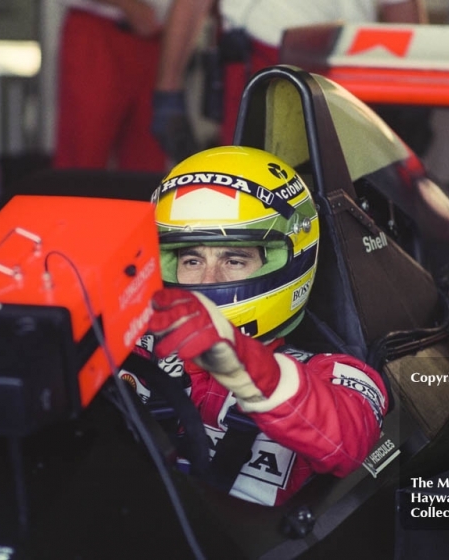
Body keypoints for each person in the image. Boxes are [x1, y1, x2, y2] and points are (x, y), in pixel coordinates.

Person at [122, 146, 388, 506]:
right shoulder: (131, 353)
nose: (208, 279)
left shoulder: (332, 373)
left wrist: (243, 365)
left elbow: (351, 443)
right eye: (191, 259)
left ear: (287, 261)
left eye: (234, 259)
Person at [151, 0, 428, 163]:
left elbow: (401, 8)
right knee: (258, 189)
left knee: (352, 193)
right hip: (264, 65)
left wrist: (415, 88)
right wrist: (168, 90)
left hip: (352, 66)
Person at [53, 0, 172, 172]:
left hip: (159, 37)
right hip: (98, 27)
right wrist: (128, 5)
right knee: (83, 158)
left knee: (148, 166)